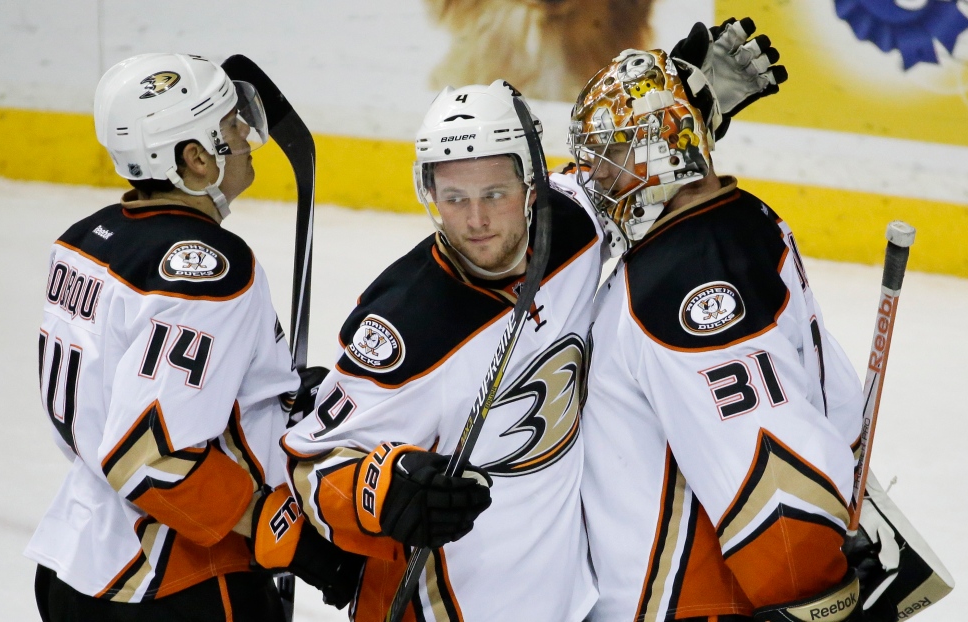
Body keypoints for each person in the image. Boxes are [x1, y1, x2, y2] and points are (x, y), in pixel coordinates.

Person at [280, 20, 787, 622]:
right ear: (428, 194)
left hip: (569, 597)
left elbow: (625, 173)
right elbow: (310, 467)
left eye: (494, 194)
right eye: (454, 198)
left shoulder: (572, 225)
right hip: (444, 606)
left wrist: (685, 111)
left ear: (530, 185)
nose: (476, 221)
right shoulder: (403, 324)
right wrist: (384, 489)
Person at [24, 52, 360, 622]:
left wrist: (265, 392)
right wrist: (283, 532)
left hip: (74, 560)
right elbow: (148, 457)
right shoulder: (210, 270)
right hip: (177, 581)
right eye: (232, 126)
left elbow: (118, 399)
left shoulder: (84, 240)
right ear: (196, 159)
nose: (250, 137)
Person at [570, 48, 867, 621]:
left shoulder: (681, 280)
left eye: (610, 154)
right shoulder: (740, 218)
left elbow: (771, 476)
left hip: (687, 603)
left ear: (663, 151)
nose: (596, 176)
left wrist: (811, 596)